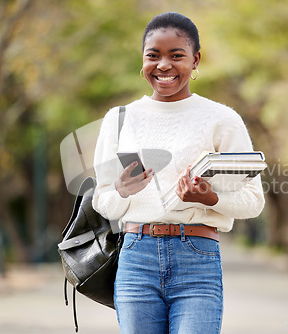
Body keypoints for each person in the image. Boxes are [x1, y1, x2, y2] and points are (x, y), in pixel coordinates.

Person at [92, 12, 265, 334]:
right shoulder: (119, 119)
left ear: (195, 60)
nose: (163, 65)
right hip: (135, 257)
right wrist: (121, 191)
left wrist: (210, 198)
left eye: (177, 56)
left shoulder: (222, 120)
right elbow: (103, 201)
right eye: (153, 56)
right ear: (142, 60)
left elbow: (254, 201)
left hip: (197, 259)